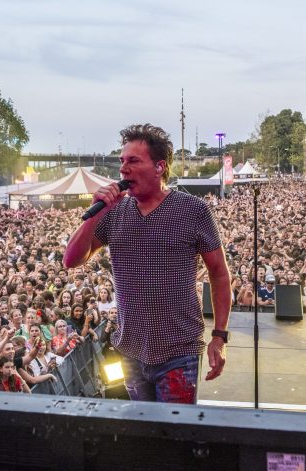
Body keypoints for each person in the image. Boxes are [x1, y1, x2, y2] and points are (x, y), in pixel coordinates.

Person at [63, 124, 230, 404]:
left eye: (133, 161)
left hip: (179, 350)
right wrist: (95, 213)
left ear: (159, 167)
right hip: (130, 350)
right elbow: (71, 260)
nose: (123, 169)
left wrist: (219, 337)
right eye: (122, 161)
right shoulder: (115, 212)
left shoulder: (193, 211)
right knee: (145, 436)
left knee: (175, 435)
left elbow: (219, 273)